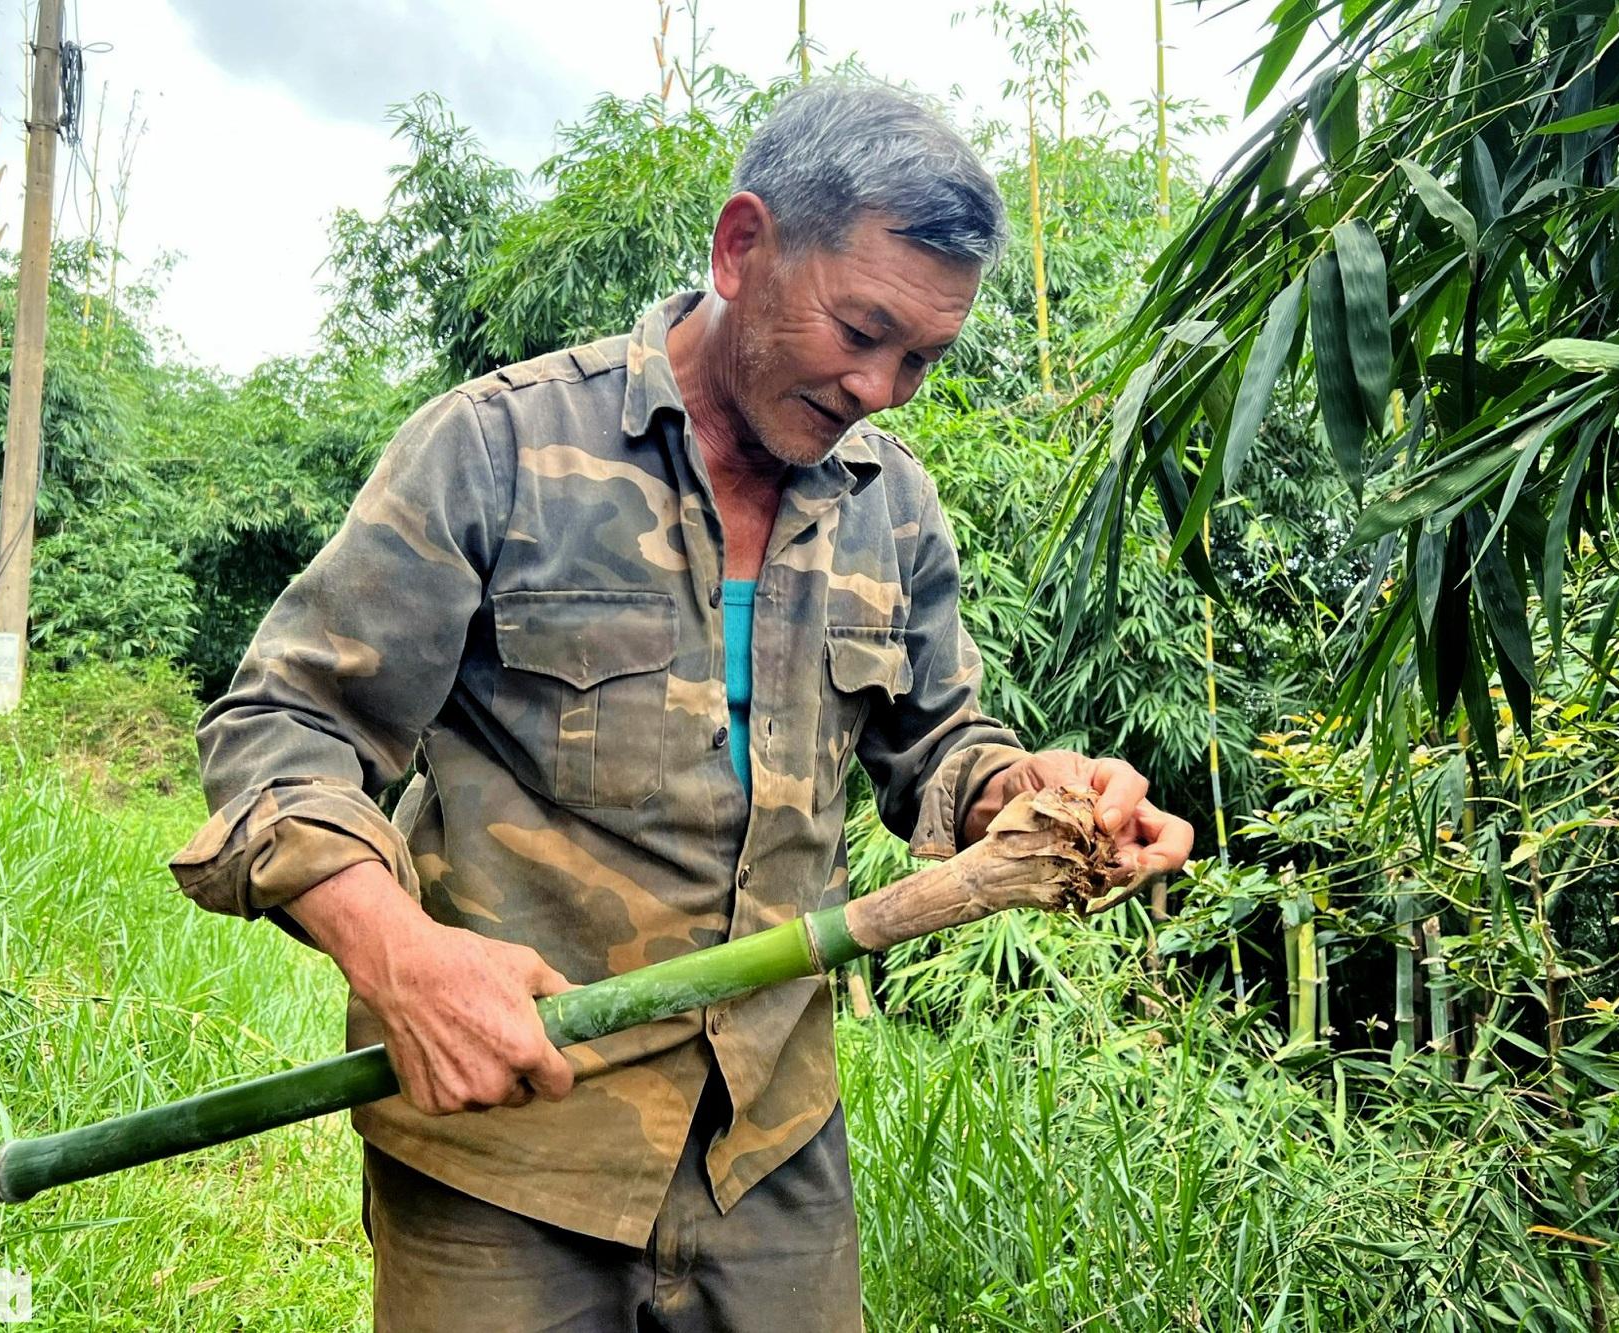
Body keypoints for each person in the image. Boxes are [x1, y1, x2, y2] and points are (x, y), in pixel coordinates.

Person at [170, 78, 1195, 1332]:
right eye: (860, 332)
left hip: (770, 1146)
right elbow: (284, 724)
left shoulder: (888, 500)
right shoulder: (496, 450)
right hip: (510, 1146)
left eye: (921, 358)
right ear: (741, 245)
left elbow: (935, 741)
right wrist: (402, 956)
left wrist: (1029, 796)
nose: (881, 388)